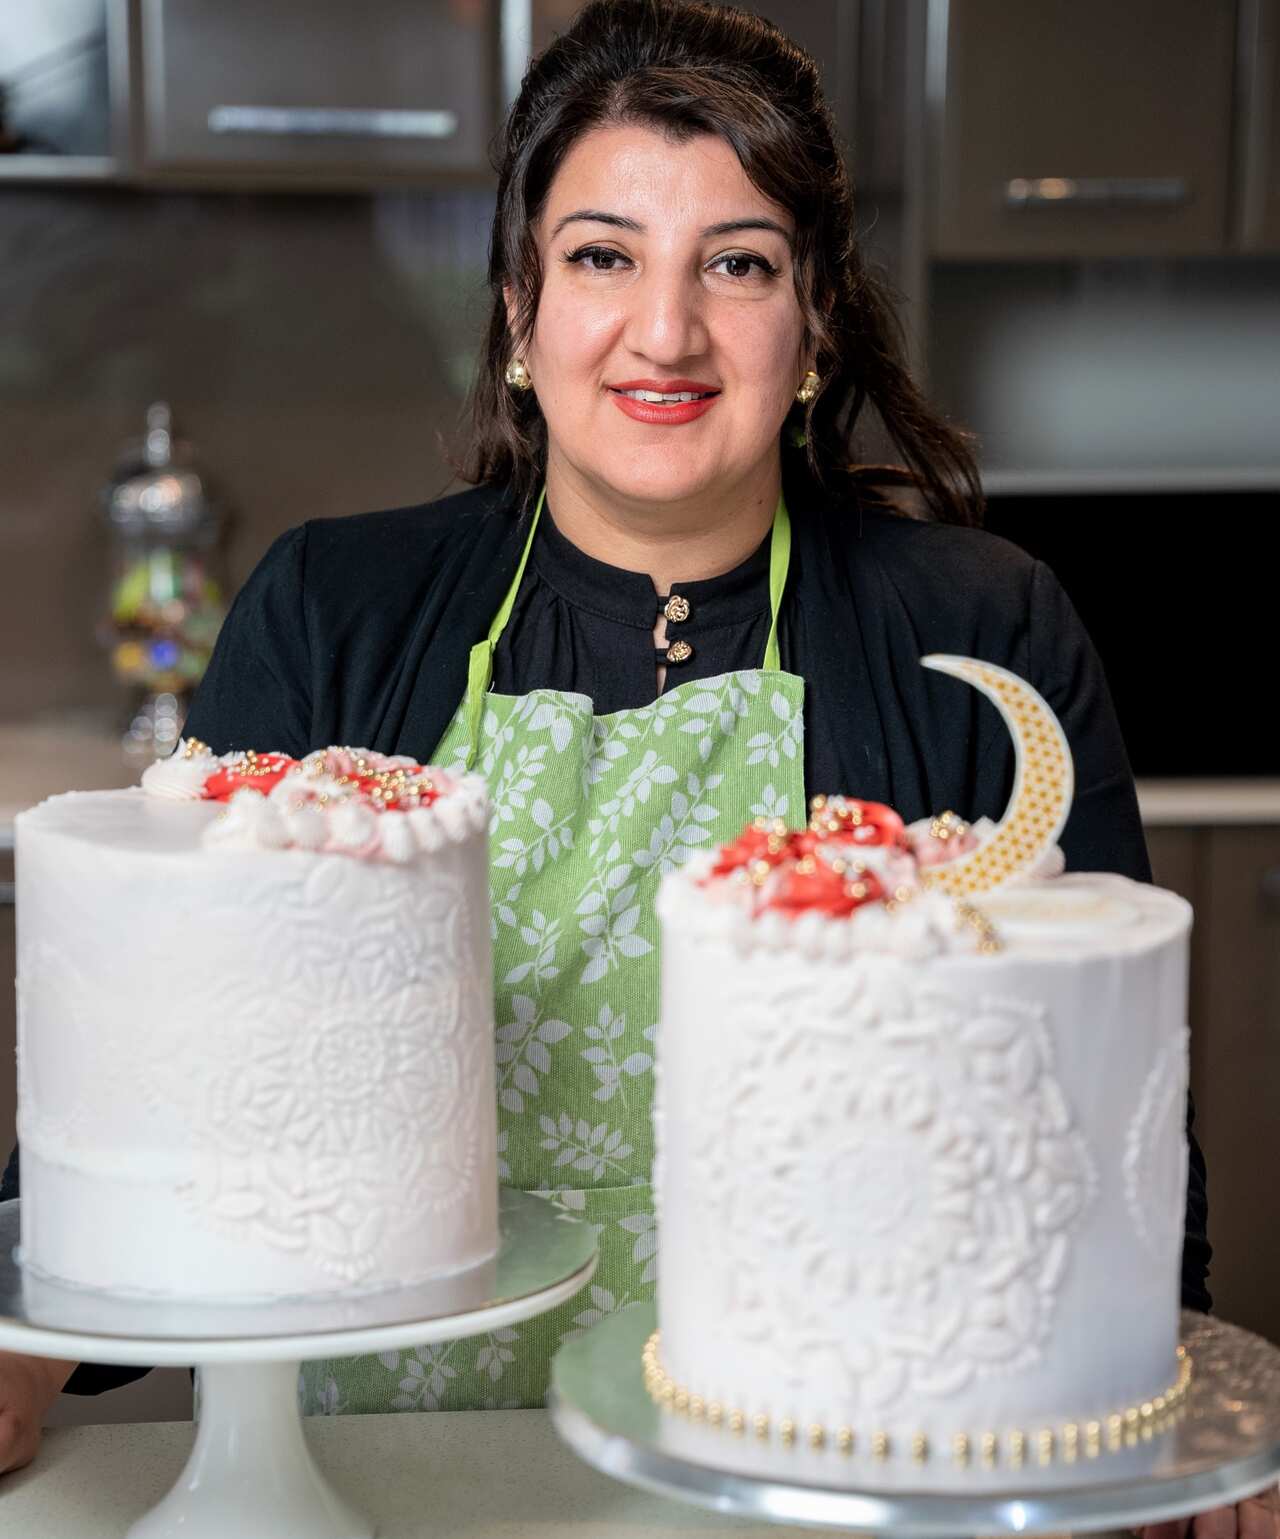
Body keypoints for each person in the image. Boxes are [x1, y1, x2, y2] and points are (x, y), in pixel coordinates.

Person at [4, 5, 1263, 1531]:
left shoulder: (980, 627)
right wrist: (29, 1338)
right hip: (366, 1484)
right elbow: (171, 1043)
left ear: (810, 333)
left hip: (836, 1467)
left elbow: (1111, 1092)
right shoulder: (335, 609)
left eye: (737, 263)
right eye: (604, 256)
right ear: (522, 315)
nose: (665, 332)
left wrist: (1162, 1391)